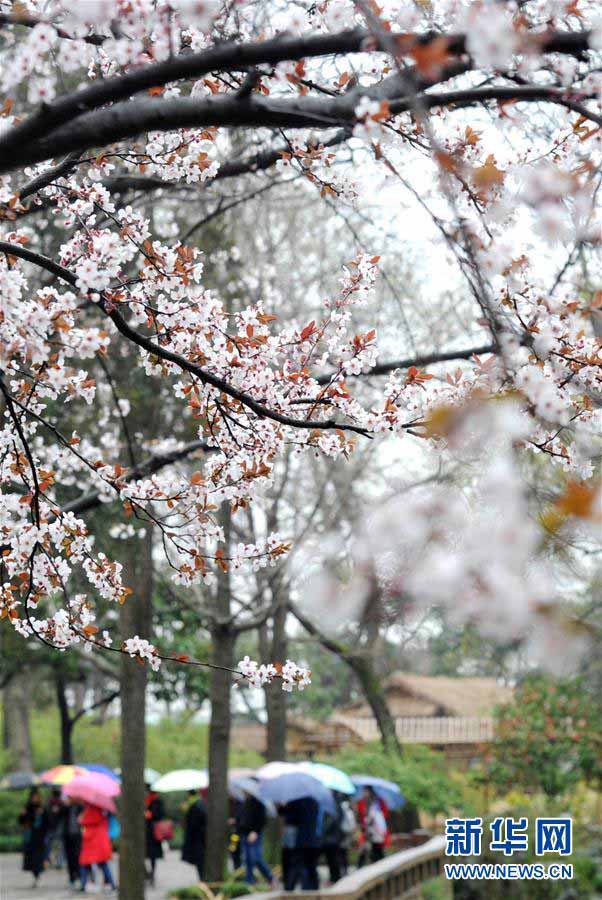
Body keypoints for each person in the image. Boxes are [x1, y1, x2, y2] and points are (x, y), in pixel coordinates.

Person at [282, 797, 320, 890]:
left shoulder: (296, 801)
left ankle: (290, 888)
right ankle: (314, 888)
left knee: (297, 864)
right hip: (313, 839)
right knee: (311, 865)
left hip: (301, 839)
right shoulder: (315, 801)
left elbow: (290, 818)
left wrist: (284, 807)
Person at [238, 790, 274, 886]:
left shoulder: (259, 802)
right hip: (244, 833)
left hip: (254, 834)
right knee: (247, 859)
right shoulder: (244, 802)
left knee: (255, 857)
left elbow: (262, 820)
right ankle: (249, 881)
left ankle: (270, 876)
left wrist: (255, 832)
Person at [79, 803, 116, 893]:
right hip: (101, 840)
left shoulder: (91, 810)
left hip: (92, 841)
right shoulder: (104, 810)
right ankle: (111, 883)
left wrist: (81, 816)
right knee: (102, 864)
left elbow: (83, 821)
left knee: (85, 863)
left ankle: (83, 884)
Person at [18, 787, 49, 888]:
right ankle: (35, 875)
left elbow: (48, 822)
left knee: (39, 857)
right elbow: (22, 821)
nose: (36, 798)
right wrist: (22, 815)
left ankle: (38, 874)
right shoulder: (27, 807)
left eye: (37, 797)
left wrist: (42, 813)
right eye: (34, 797)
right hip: (30, 836)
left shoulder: (43, 808)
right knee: (30, 857)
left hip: (39, 837)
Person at [182, 789, 207, 881]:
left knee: (200, 861)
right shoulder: (198, 804)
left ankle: (202, 879)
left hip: (198, 839)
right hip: (199, 839)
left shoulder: (196, 805)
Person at [145, 783, 165, 886]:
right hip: (147, 832)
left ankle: (152, 873)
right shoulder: (146, 801)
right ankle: (148, 873)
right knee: (146, 854)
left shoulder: (157, 802)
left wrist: (150, 815)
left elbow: (160, 815)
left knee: (152, 855)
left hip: (154, 833)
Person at [320, 795, 343, 884]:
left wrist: (323, 830)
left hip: (331, 837)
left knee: (333, 859)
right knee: (331, 859)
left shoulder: (334, 804)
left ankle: (335, 878)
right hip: (331, 837)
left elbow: (334, 820)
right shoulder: (333, 804)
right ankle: (334, 878)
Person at [61, 798, 83, 890]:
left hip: (78, 835)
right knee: (69, 857)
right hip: (67, 835)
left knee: (78, 856)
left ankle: (79, 875)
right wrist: (65, 805)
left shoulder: (81, 807)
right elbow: (59, 816)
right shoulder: (66, 807)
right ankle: (72, 878)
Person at [364, 787, 387, 863]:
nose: (364, 793)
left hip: (376, 831)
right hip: (375, 831)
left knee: (377, 850)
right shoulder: (369, 803)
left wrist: (367, 819)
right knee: (376, 850)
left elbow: (372, 817)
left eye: (365, 791)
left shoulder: (374, 803)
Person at [45, 787, 65, 868]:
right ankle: (59, 862)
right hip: (59, 827)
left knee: (48, 846)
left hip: (50, 827)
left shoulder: (48, 803)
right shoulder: (62, 803)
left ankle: (47, 861)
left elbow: (46, 814)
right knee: (61, 846)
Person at [339, 797, 357, 876]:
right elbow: (353, 825)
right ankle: (345, 869)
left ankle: (343, 869)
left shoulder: (340, 810)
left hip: (342, 834)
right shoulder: (349, 812)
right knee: (345, 853)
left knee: (342, 853)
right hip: (347, 834)